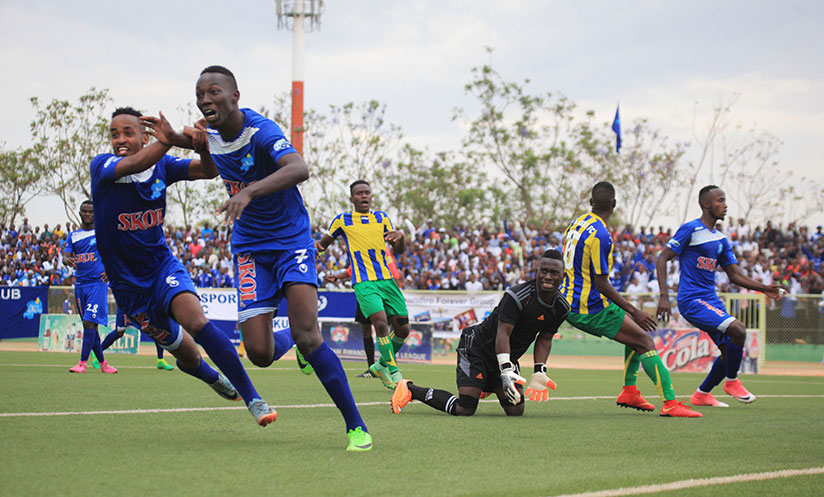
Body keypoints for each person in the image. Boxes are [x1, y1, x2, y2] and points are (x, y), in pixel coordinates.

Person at [170, 66, 370, 451]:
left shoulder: (261, 131)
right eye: (200, 94)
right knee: (259, 354)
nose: (205, 99)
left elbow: (300, 168)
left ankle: (356, 427)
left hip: (291, 241)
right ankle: (289, 342)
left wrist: (249, 193)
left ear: (235, 96)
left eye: (214, 92)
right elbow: (205, 156)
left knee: (309, 335)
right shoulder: (207, 133)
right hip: (249, 249)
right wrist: (173, 139)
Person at [90, 106, 277, 427]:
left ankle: (253, 398)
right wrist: (172, 139)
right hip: (129, 288)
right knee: (188, 357)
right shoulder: (103, 166)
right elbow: (137, 162)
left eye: (128, 132)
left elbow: (209, 171)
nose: (120, 139)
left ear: (143, 134)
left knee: (197, 321)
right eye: (114, 133)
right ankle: (211, 377)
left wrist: (203, 146)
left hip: (162, 268)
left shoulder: (162, 164)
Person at [560, 181, 701, 418]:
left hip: (568, 300)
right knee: (645, 341)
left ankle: (630, 391)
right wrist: (633, 310)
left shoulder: (578, 223)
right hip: (589, 307)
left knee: (635, 333)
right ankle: (670, 403)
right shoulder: (602, 235)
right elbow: (601, 283)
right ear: (614, 204)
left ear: (591, 202)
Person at [390, 250, 567, 417]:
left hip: (505, 356)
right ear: (537, 270)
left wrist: (539, 371)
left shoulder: (561, 307)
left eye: (554, 273)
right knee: (465, 408)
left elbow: (545, 338)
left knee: (516, 410)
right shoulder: (517, 296)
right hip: (477, 347)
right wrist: (505, 370)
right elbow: (503, 334)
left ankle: (485, 384)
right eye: (544, 271)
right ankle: (410, 389)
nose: (548, 277)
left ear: (563, 276)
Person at [656, 185, 784, 407]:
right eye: (720, 201)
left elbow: (734, 275)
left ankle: (702, 394)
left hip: (711, 300)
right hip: (691, 300)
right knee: (738, 330)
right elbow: (661, 258)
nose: (725, 205)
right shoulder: (690, 230)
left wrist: (765, 288)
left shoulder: (721, 239)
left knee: (728, 352)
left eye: (725, 201)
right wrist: (664, 296)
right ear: (707, 204)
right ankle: (732, 382)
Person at [316, 180, 411, 391]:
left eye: (367, 192)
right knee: (380, 323)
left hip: (387, 280)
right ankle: (395, 374)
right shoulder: (342, 220)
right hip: (364, 282)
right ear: (352, 199)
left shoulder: (382, 218)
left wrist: (402, 236)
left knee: (403, 328)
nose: (364, 196)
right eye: (359, 193)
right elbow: (321, 245)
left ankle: (380, 366)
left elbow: (400, 250)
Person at [63, 200, 117, 374]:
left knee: (88, 322)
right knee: (91, 326)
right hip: (80, 285)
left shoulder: (102, 233)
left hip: (97, 284)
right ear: (79, 213)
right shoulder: (73, 236)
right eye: (84, 211)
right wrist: (66, 260)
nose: (87, 214)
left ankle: (82, 364)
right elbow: (66, 255)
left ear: (96, 214)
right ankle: (103, 364)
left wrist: (111, 270)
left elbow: (115, 253)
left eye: (90, 212)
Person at [325, 267, 377, 378]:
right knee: (366, 329)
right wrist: (336, 277)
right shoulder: (356, 253)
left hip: (378, 288)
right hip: (363, 291)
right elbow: (351, 269)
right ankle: (372, 369)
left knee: (382, 327)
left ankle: (390, 368)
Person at [99, 309, 175, 370]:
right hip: (126, 307)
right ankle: (97, 354)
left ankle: (160, 360)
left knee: (156, 330)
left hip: (141, 307)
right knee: (119, 332)